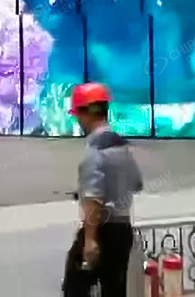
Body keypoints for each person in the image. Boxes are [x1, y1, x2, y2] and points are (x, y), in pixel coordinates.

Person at [62, 82, 144, 297]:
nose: (78, 121)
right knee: (114, 290)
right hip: (123, 232)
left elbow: (94, 197)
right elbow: (136, 183)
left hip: (101, 231)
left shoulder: (94, 150)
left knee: (75, 289)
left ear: (86, 113)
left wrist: (90, 239)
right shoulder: (122, 146)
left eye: (78, 115)